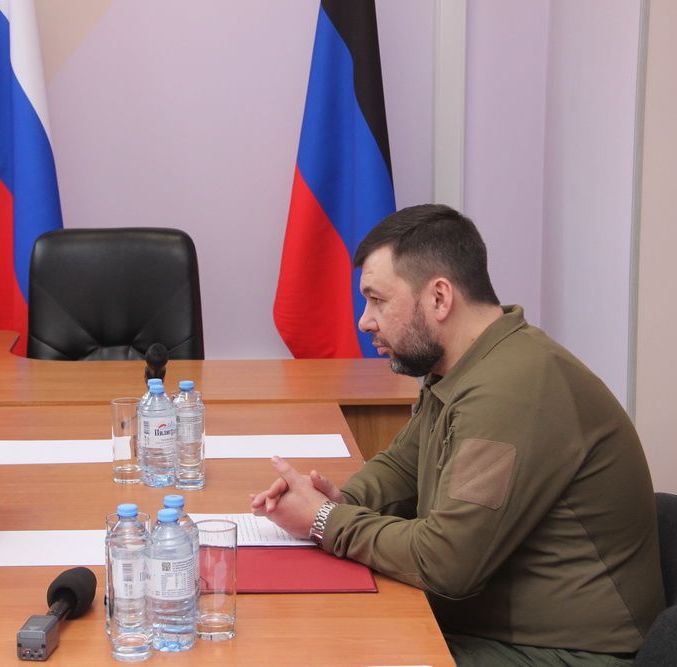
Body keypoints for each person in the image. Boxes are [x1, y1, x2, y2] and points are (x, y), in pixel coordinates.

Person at [251, 204, 664, 665]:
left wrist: (326, 520)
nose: (365, 321)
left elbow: (445, 564)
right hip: (491, 626)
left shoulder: (511, 390)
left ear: (439, 298)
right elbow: (403, 465)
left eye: (378, 300)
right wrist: (344, 499)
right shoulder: (467, 363)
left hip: (567, 652)